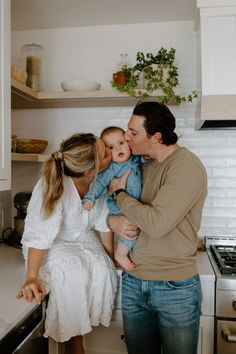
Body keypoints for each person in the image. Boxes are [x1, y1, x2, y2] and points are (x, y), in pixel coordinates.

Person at [108, 101, 208, 354]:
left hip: (174, 287)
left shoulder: (186, 167)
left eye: (134, 132)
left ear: (157, 137)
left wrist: (119, 194)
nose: (126, 137)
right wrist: (113, 221)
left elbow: (157, 223)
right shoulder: (140, 164)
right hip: (133, 281)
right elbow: (106, 208)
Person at [16, 133, 118, 354]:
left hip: (82, 237)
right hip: (51, 242)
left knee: (102, 266)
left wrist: (111, 259)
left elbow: (103, 224)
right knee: (72, 271)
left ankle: (80, 335)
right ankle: (74, 346)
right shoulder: (53, 186)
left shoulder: (98, 184)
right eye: (105, 153)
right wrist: (31, 277)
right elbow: (39, 235)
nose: (111, 153)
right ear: (90, 170)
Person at [83, 126, 142, 271]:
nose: (118, 149)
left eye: (121, 143)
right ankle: (121, 254)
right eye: (111, 147)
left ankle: (123, 252)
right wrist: (90, 197)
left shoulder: (135, 160)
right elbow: (100, 183)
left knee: (137, 223)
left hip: (132, 204)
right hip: (119, 207)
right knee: (131, 227)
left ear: (128, 143)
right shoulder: (112, 168)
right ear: (107, 153)